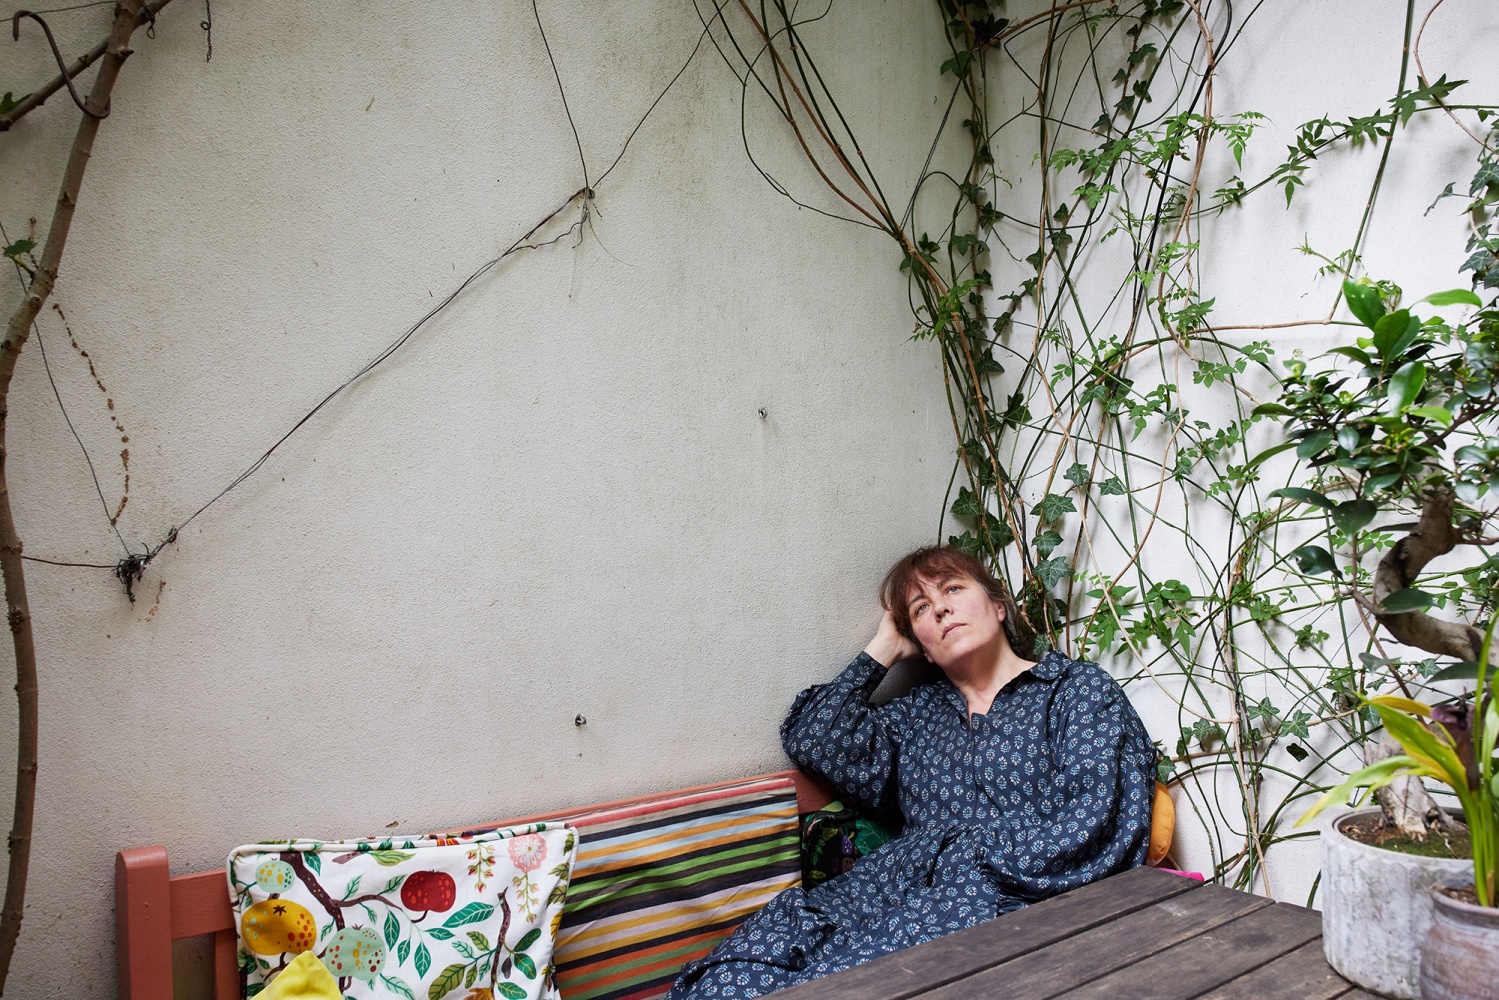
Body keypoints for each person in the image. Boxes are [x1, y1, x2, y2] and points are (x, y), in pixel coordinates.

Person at [667, 545, 1156, 999]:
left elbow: (1098, 821)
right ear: (920, 646)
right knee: (724, 979)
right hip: (876, 893)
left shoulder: (1073, 691)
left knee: (825, 988)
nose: (940, 609)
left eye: (953, 589)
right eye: (921, 609)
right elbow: (812, 736)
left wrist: (965, 864)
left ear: (999, 606)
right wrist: (883, 647)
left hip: (996, 903)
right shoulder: (916, 715)